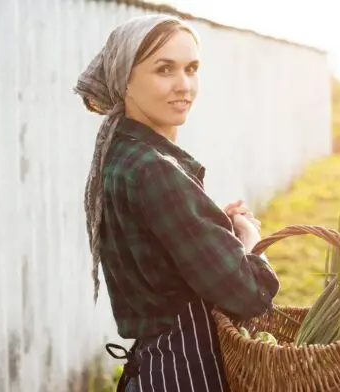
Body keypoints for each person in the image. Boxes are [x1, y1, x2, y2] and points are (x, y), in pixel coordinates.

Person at [73, 14, 280, 392]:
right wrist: (249, 242)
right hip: (188, 373)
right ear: (125, 80)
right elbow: (249, 294)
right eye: (164, 69)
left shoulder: (121, 155)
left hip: (156, 368)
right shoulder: (155, 171)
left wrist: (216, 227)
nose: (183, 85)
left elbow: (169, 255)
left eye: (192, 68)